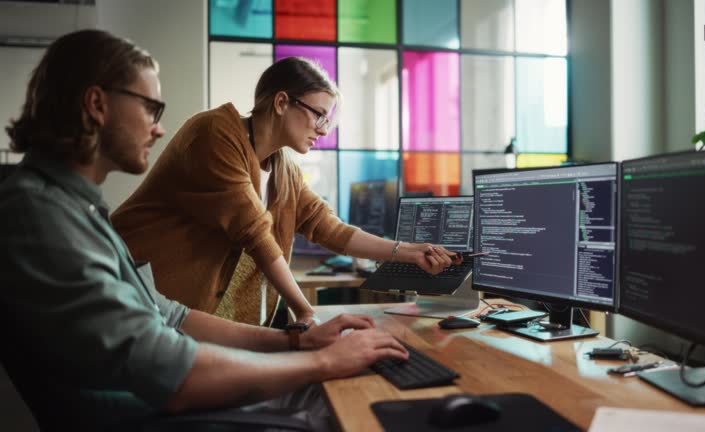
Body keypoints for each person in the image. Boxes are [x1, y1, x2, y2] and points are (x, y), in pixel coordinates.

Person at [0, 29, 407, 431]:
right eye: (150, 108)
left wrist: (298, 343)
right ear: (96, 103)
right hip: (139, 413)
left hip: (154, 397)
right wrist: (322, 358)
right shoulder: (38, 213)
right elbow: (172, 370)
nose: (158, 129)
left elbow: (171, 315)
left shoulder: (75, 207)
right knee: (347, 406)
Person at [110, 56, 458, 327]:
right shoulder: (215, 134)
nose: (323, 130)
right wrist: (307, 315)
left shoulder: (283, 168)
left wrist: (410, 252)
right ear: (281, 103)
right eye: (319, 115)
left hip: (190, 319)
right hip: (130, 295)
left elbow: (329, 228)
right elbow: (255, 233)